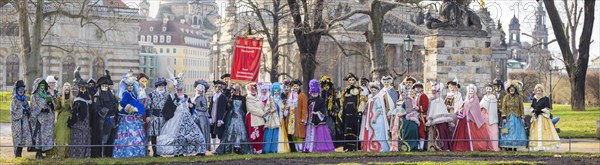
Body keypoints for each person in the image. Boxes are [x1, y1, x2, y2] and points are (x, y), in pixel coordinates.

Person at [157, 73, 203, 157]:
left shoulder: (186, 97)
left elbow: (190, 107)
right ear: (175, 88)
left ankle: (197, 150)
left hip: (187, 118)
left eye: (180, 89)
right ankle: (177, 152)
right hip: (175, 118)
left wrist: (191, 106)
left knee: (194, 134)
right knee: (177, 135)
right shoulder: (172, 97)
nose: (179, 90)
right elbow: (166, 108)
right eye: (178, 89)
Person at [113, 75, 147, 158]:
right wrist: (130, 108)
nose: (130, 87)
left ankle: (136, 152)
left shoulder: (133, 94)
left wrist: (137, 109)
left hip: (134, 117)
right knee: (128, 134)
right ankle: (127, 152)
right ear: (126, 87)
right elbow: (122, 103)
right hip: (127, 117)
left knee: (135, 134)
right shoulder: (126, 94)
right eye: (129, 86)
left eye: (132, 86)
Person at [215, 84, 254, 154]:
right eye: (235, 89)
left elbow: (244, 108)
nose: (236, 91)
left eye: (237, 89)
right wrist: (229, 100)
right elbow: (227, 107)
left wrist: (244, 116)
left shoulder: (243, 98)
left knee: (240, 132)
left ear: (240, 90)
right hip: (232, 116)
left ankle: (238, 147)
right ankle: (230, 148)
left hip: (240, 117)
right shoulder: (231, 97)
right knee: (230, 132)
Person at [452, 84, 491, 151]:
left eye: (472, 90)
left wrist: (469, 115)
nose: (470, 92)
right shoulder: (466, 99)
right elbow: (464, 106)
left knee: (472, 134)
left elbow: (475, 110)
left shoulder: (475, 99)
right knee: (461, 133)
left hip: (471, 120)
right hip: (464, 118)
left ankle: (473, 147)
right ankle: (460, 146)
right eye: (469, 90)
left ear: (474, 91)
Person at [303, 79, 335, 153]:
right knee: (310, 134)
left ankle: (319, 148)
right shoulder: (310, 100)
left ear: (318, 92)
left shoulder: (321, 100)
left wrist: (317, 113)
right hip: (310, 121)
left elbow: (323, 110)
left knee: (320, 135)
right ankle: (309, 148)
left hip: (319, 120)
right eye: (313, 92)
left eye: (316, 92)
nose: (314, 94)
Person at [92, 71, 119, 158]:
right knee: (104, 138)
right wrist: (107, 110)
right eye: (103, 86)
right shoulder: (97, 96)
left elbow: (116, 103)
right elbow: (97, 108)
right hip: (103, 120)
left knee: (112, 137)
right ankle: (102, 155)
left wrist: (114, 109)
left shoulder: (112, 95)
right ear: (100, 87)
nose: (105, 87)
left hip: (113, 119)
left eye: (106, 86)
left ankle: (109, 154)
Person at [528, 84, 560, 151]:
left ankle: (543, 147)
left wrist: (540, 110)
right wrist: (533, 111)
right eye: (537, 90)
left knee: (544, 131)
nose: (538, 92)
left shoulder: (545, 99)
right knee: (536, 132)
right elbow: (532, 107)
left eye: (539, 90)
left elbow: (547, 109)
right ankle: (537, 147)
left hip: (543, 118)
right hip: (536, 118)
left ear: (542, 91)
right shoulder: (534, 99)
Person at [360, 82, 390, 152]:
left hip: (377, 119)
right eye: (372, 90)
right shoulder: (370, 98)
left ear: (377, 90)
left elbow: (379, 109)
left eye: (375, 90)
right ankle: (372, 148)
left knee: (378, 134)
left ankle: (381, 148)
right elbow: (367, 107)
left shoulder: (378, 98)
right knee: (372, 134)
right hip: (370, 119)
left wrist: (374, 117)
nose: (373, 91)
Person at [30, 78, 55, 159]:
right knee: (39, 136)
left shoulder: (47, 94)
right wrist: (41, 109)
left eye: (43, 86)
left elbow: (53, 106)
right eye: (40, 86)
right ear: (37, 86)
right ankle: (38, 153)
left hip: (47, 119)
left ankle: (44, 152)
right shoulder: (34, 95)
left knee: (46, 136)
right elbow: (33, 107)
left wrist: (50, 104)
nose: (42, 87)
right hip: (39, 119)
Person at [426, 82, 454, 151]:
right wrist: (429, 119)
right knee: (435, 134)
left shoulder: (440, 100)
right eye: (432, 91)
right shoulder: (430, 100)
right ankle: (435, 146)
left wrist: (448, 120)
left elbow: (444, 110)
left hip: (442, 121)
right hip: (434, 121)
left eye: (435, 91)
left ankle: (444, 147)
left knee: (443, 134)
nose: (433, 93)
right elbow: (430, 110)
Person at [68, 79, 92, 158]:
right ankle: (77, 157)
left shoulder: (89, 100)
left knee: (84, 140)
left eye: (84, 89)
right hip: (78, 125)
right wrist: (71, 122)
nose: (83, 90)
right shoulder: (78, 100)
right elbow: (74, 113)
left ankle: (84, 156)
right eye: (81, 89)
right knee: (78, 141)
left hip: (85, 124)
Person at [499, 84, 527, 151]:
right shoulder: (506, 97)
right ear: (508, 90)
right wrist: (504, 117)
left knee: (516, 131)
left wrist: (522, 117)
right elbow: (503, 107)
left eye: (513, 89)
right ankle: (507, 145)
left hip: (516, 117)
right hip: (508, 118)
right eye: (510, 89)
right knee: (506, 131)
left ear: (515, 90)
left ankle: (515, 146)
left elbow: (521, 108)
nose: (512, 90)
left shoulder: (518, 98)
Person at [47, 83, 72, 158]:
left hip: (70, 118)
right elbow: (57, 110)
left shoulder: (72, 98)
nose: (66, 89)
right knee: (60, 135)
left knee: (68, 135)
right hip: (61, 118)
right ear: (63, 89)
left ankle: (67, 153)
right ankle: (59, 153)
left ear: (70, 89)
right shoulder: (59, 98)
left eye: (68, 87)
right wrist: (55, 119)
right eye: (65, 87)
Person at [264, 82, 290, 153]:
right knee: (271, 135)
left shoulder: (282, 100)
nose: (276, 92)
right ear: (272, 91)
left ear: (279, 91)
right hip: (272, 120)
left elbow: (284, 114)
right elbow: (266, 110)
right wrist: (269, 114)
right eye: (274, 91)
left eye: (277, 91)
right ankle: (271, 149)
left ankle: (279, 149)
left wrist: (286, 109)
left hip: (280, 120)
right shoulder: (270, 99)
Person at [146, 77, 168, 157]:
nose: (161, 87)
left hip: (163, 118)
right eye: (160, 85)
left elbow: (169, 107)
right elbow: (148, 106)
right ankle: (155, 152)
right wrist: (148, 116)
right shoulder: (151, 95)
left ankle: (161, 151)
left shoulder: (167, 95)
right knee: (154, 135)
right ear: (157, 86)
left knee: (162, 135)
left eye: (163, 85)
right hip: (154, 117)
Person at [10, 80, 32, 158]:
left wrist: (28, 110)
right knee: (17, 138)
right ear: (16, 89)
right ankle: (17, 154)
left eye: (22, 89)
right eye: (19, 89)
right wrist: (22, 110)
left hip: (24, 121)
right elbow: (13, 110)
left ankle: (20, 154)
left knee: (23, 137)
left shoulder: (24, 98)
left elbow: (28, 107)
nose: (21, 91)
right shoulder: (14, 99)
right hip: (17, 122)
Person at [340, 73, 362, 151]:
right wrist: (341, 112)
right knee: (347, 129)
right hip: (346, 113)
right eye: (350, 80)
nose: (351, 81)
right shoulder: (344, 90)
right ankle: (347, 147)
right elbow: (341, 102)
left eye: (353, 80)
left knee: (354, 129)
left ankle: (354, 147)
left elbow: (362, 101)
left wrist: (360, 111)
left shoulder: (359, 90)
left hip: (354, 113)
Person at [286, 80, 308, 151]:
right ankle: (296, 148)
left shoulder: (302, 96)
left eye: (297, 86)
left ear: (299, 87)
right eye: (294, 86)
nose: (295, 87)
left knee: (299, 133)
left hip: (298, 117)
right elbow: (287, 105)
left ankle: (300, 148)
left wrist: (304, 118)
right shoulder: (289, 95)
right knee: (292, 133)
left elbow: (304, 108)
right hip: (291, 117)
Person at [320, 76, 342, 147]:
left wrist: (332, 106)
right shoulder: (321, 95)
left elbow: (337, 105)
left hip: (331, 116)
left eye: (327, 86)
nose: (326, 87)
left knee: (332, 129)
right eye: (324, 86)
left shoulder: (333, 95)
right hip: (322, 115)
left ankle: (332, 144)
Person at [245, 82, 266, 154]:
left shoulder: (259, 98)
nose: (253, 90)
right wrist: (262, 113)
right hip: (252, 119)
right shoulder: (248, 98)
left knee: (260, 134)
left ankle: (259, 149)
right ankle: (253, 149)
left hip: (260, 119)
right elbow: (251, 109)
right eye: (252, 88)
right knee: (253, 135)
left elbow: (262, 107)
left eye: (255, 88)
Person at [191, 80, 211, 156]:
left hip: (202, 117)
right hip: (195, 117)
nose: (198, 91)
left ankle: (202, 150)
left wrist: (196, 106)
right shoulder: (194, 97)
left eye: (200, 90)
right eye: (197, 90)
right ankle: (198, 149)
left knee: (202, 133)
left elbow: (205, 108)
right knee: (196, 133)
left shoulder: (203, 98)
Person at [480, 84, 500, 151]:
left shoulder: (493, 97)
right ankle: (485, 147)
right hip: (483, 116)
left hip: (489, 116)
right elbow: (480, 105)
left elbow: (493, 109)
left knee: (491, 132)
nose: (488, 90)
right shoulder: (484, 97)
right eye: (487, 88)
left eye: (489, 88)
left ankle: (493, 147)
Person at [210, 80, 228, 149]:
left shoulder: (223, 97)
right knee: (213, 133)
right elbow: (210, 107)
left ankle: (220, 148)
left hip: (219, 118)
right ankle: (214, 148)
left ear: (221, 88)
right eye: (216, 87)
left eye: (219, 87)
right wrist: (210, 117)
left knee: (220, 134)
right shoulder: (213, 96)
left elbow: (224, 109)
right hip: (213, 117)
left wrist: (221, 119)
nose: (217, 88)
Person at [413, 82, 429, 151]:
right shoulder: (412, 96)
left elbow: (425, 107)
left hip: (421, 116)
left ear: (422, 89)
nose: (417, 89)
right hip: (413, 116)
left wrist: (418, 108)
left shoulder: (423, 96)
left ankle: (421, 147)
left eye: (419, 87)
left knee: (421, 131)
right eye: (416, 87)